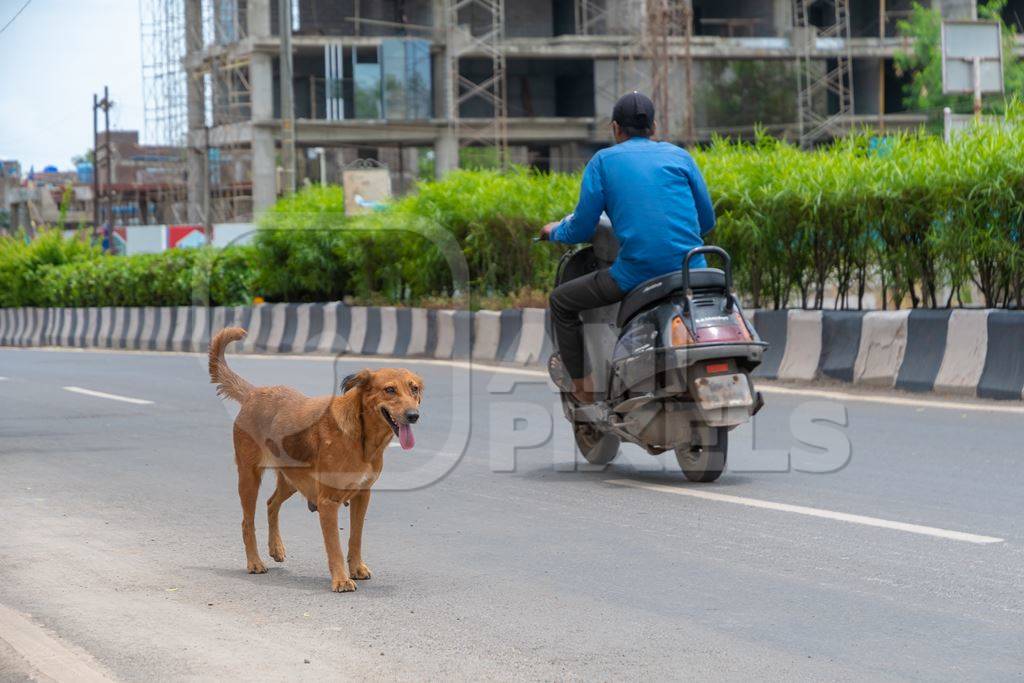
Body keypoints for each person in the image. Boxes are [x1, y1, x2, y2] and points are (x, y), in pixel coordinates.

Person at [540, 91, 716, 403]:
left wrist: (554, 232)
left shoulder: (603, 162)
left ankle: (584, 385)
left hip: (636, 274)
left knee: (561, 302)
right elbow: (706, 221)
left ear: (615, 129)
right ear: (655, 127)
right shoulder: (680, 157)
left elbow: (581, 227)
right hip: (693, 269)